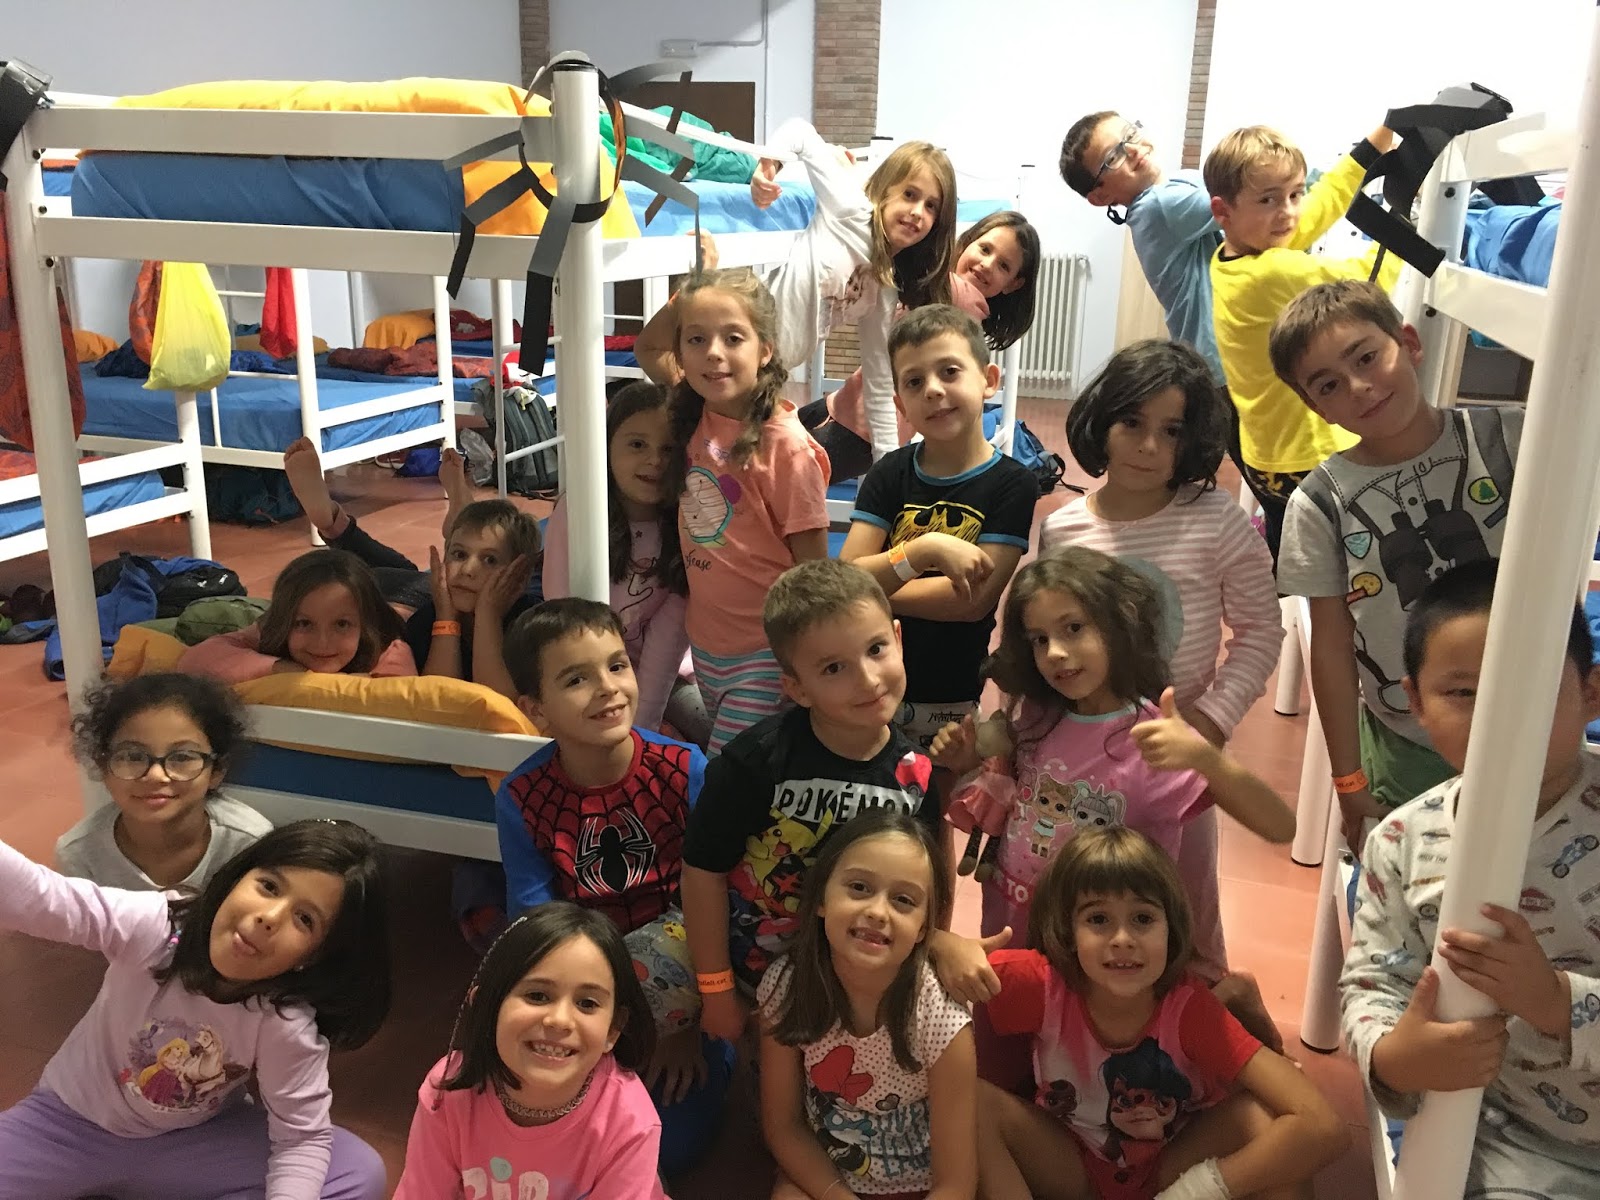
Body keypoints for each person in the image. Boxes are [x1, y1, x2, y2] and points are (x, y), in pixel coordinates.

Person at [927, 547, 1294, 1070]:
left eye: (1073, 628)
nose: (1056, 652)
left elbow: (1280, 825)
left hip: (1100, 956)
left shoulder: (1152, 739)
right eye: (1039, 639)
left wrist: (1204, 757)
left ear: (1120, 623)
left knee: (1091, 1075)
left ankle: (1229, 1001)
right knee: (1005, 1061)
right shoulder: (1035, 718)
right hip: (1018, 928)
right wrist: (962, 760)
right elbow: (1006, 798)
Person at [1341, 559, 1600, 1195]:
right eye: (1462, 693)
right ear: (1415, 703)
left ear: (1591, 693)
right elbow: (1374, 984)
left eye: (1533, 687)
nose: (1500, 716)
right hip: (1526, 1141)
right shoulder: (1402, 843)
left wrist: (1557, 1002)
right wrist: (1395, 1057)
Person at [1039, 340, 1283, 976]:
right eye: (1132, 423)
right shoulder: (1065, 529)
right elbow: (1044, 642)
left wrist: (1209, 725)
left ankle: (1197, 1020)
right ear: (1102, 420)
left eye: (1172, 431)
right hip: (1079, 761)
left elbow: (1261, 631)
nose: (1149, 446)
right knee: (1085, 910)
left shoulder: (1216, 521)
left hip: (1179, 763)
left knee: (1185, 917)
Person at [0, 820, 391, 1200]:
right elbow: (45, 898)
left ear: (314, 956)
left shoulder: (284, 1020)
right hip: (66, 1126)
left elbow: (300, 1139)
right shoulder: (158, 926)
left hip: (196, 1141)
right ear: (236, 879)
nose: (269, 918)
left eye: (304, 919)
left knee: (356, 1171)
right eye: (269, 886)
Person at [1271, 280, 1521, 847]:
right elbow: (1330, 649)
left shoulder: (1508, 437)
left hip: (1532, 719)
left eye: (1366, 358)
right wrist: (1347, 780)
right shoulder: (1321, 503)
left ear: (1409, 342)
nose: (1359, 387)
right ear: (1315, 406)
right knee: (1411, 882)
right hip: (1409, 742)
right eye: (1329, 385)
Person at [978, 827, 1345, 1200]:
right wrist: (950, 950)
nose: (1123, 939)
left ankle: (1237, 998)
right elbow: (944, 974)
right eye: (1098, 919)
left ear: (1172, 929)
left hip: (1170, 1168)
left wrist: (1193, 1192)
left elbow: (1324, 1126)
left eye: (1142, 918)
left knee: (1270, 1125)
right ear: (1067, 932)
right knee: (974, 1104)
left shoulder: (1190, 1010)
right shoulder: (1040, 983)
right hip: (1069, 1162)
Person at [496, 597, 729, 1176]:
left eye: (617, 665)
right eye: (576, 679)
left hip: (689, 980)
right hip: (584, 987)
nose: (608, 688)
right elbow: (535, 926)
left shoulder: (686, 769)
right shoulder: (521, 796)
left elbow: (725, 901)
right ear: (536, 709)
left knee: (668, 1149)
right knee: (541, 1126)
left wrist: (686, 1025)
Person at [681, 559, 941, 1043]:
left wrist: (933, 951)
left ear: (898, 639)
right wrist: (716, 990)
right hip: (747, 960)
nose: (868, 679)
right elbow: (702, 872)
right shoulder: (754, 761)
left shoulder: (917, 776)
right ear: (797, 688)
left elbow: (930, 885)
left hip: (853, 975)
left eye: (876, 649)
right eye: (834, 668)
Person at [640, 130, 958, 478]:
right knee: (673, 396)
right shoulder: (851, 210)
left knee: (725, 471)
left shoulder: (884, 288)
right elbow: (801, 134)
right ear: (886, 189)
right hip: (736, 342)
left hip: (765, 377)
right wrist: (768, 165)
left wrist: (887, 468)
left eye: (931, 206)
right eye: (909, 194)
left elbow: (879, 381)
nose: (917, 212)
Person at [841, 304, 1037, 751]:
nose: (932, 390)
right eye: (914, 382)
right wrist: (921, 551)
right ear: (900, 404)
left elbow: (971, 601)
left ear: (988, 380)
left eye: (949, 371)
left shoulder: (1012, 484)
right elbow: (846, 578)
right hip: (868, 681)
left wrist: (876, 585)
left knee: (940, 787)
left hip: (949, 691)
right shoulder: (889, 473)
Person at [758, 811, 977, 1199]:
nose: (877, 911)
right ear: (821, 899)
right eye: (859, 887)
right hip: (828, 1174)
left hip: (921, 1181)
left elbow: (955, 1182)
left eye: (903, 900)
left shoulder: (940, 1016)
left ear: (924, 928)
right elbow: (783, 1126)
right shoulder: (787, 987)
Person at [1205, 121, 1399, 558]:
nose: (1288, 212)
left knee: (1293, 552)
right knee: (1337, 559)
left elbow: (1322, 202)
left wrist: (1378, 140)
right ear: (1223, 210)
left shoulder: (1233, 255)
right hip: (1304, 458)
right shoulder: (1270, 272)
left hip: (1269, 454)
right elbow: (1367, 283)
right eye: (1269, 199)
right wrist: (1410, 220)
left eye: (1295, 194)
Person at [394, 902, 668, 1200]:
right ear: (487, 1006)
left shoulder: (630, 1122)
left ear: (613, 1030)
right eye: (537, 995)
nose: (560, 1020)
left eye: (587, 1003)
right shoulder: (449, 1090)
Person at [664, 267, 831, 752]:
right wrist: (692, 281)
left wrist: (804, 662)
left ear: (765, 350)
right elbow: (648, 347)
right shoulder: (692, 414)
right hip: (706, 645)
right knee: (748, 765)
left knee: (726, 776)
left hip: (763, 653)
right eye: (696, 339)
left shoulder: (787, 448)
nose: (713, 353)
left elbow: (813, 574)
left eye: (733, 338)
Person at [801, 210, 1043, 476]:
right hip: (847, 406)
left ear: (1013, 284)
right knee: (773, 446)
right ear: (966, 243)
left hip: (862, 428)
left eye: (1003, 266)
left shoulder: (960, 299)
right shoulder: (948, 292)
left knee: (783, 475)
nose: (987, 264)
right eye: (985, 249)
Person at [542, 380, 703, 738]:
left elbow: (668, 639)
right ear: (606, 446)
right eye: (637, 444)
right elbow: (563, 612)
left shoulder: (687, 524)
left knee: (716, 729)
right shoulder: (577, 511)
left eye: (669, 448)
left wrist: (641, 731)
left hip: (664, 673)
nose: (655, 460)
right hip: (583, 664)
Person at [56, 673, 270, 892]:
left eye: (182, 757)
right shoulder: (80, 854)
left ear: (217, 770)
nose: (156, 775)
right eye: (133, 757)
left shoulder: (249, 843)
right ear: (103, 766)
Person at [1060, 114, 1223, 380]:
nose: (1134, 150)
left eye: (1130, 134)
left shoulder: (1178, 181)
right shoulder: (1156, 207)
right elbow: (1241, 204)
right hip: (1221, 361)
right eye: (1113, 157)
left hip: (1219, 357)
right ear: (1101, 196)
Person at [178, 549, 415, 682]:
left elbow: (397, 698)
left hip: (403, 595)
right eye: (304, 624)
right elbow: (194, 661)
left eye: (342, 624)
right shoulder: (273, 629)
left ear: (364, 625)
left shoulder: (390, 649)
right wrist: (283, 669)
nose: (322, 643)